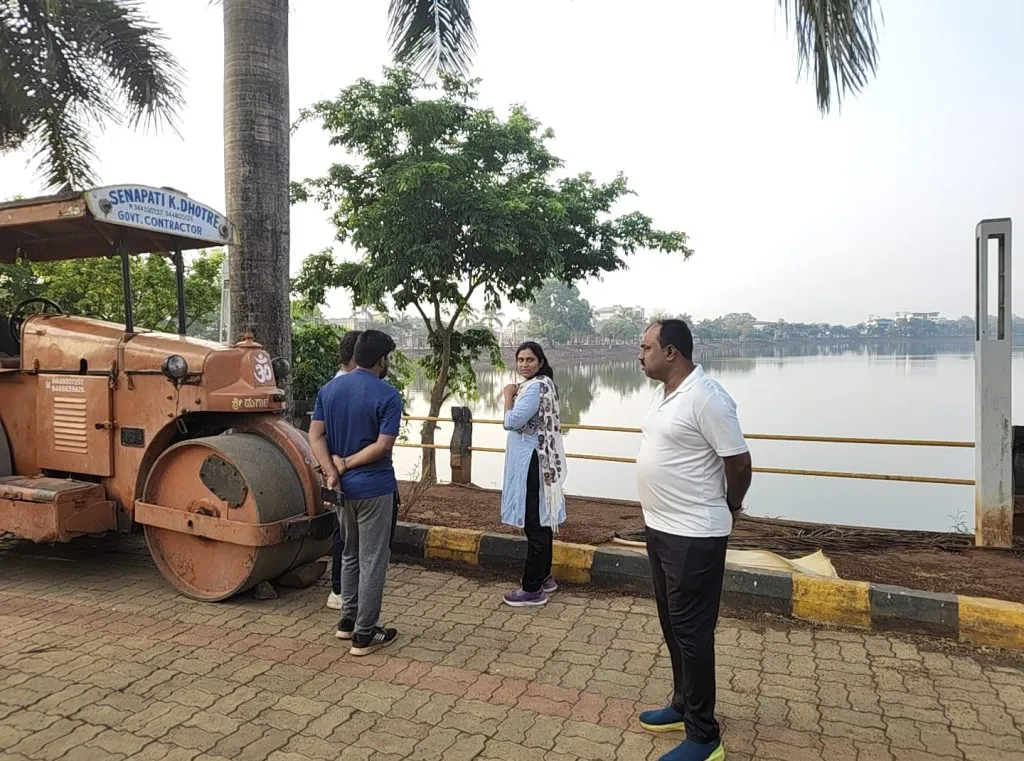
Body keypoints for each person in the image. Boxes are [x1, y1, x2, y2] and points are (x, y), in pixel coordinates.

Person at [634, 319, 752, 761]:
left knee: (692, 633)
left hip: (694, 536)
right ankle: (683, 705)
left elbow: (739, 464)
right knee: (672, 624)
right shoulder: (664, 395)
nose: (639, 355)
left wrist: (731, 507)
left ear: (672, 353)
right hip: (661, 528)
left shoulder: (707, 397)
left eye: (646, 347)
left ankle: (705, 738)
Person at [309, 330, 402, 656]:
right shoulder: (388, 395)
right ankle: (365, 634)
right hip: (375, 488)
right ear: (381, 360)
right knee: (373, 559)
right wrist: (346, 463)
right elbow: (383, 445)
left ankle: (346, 622)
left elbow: (315, 436)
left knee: (349, 553)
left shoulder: (330, 389)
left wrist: (332, 471)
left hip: (342, 491)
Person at [499, 341, 567, 607]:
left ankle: (532, 588)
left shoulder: (532, 390)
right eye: (520, 360)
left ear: (540, 362)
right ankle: (546, 577)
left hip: (531, 462)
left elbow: (512, 422)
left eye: (530, 359)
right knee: (542, 520)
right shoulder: (545, 384)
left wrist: (507, 395)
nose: (524, 364)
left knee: (534, 524)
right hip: (541, 459)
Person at [326, 330, 362, 610]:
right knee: (345, 533)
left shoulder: (333, 388)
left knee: (347, 532)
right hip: (347, 471)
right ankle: (339, 590)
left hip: (340, 469)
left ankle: (342, 588)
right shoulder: (342, 390)